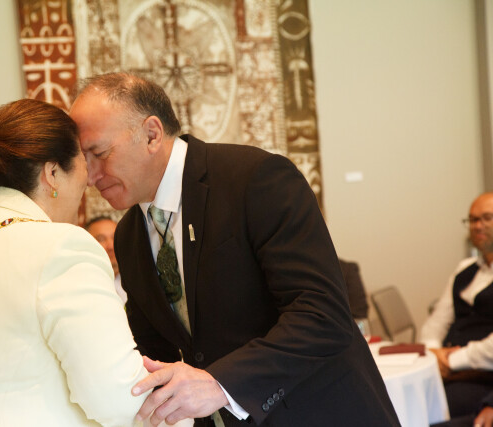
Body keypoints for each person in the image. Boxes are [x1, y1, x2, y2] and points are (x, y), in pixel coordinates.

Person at [69, 72, 399, 427]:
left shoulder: (255, 178)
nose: (91, 176)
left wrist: (220, 383)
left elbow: (323, 315)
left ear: (151, 134)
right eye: (84, 159)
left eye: (99, 153)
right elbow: (154, 352)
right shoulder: (129, 236)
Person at [0, 99, 149, 426]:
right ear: (52, 173)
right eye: (83, 165)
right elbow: (119, 398)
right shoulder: (61, 247)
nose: (89, 181)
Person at [421, 192, 493, 418]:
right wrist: (434, 353)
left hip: (483, 376)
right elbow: (435, 323)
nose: (478, 225)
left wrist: (451, 360)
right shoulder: (464, 269)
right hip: (447, 369)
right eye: (472, 219)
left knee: (435, 407)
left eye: (487, 218)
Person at [85, 216, 126, 303]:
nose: (111, 246)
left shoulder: (138, 281)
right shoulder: (84, 287)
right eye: (101, 239)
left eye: (115, 237)